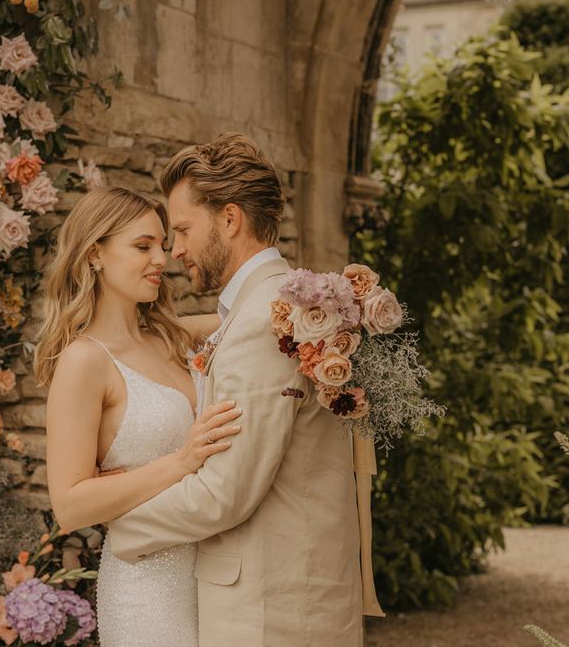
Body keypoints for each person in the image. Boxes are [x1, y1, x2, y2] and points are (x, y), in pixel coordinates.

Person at [107, 133, 374, 646]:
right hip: (292, 598)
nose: (175, 250)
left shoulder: (261, 323)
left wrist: (118, 522)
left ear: (230, 220)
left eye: (182, 229)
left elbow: (225, 494)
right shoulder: (275, 306)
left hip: (270, 613)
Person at [33, 186, 242, 646]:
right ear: (95, 254)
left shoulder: (176, 337)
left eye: (163, 246)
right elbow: (69, 505)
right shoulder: (84, 361)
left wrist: (334, 296)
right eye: (142, 246)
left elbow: (258, 315)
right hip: (147, 590)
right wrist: (180, 462)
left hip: (217, 577)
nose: (161, 260)